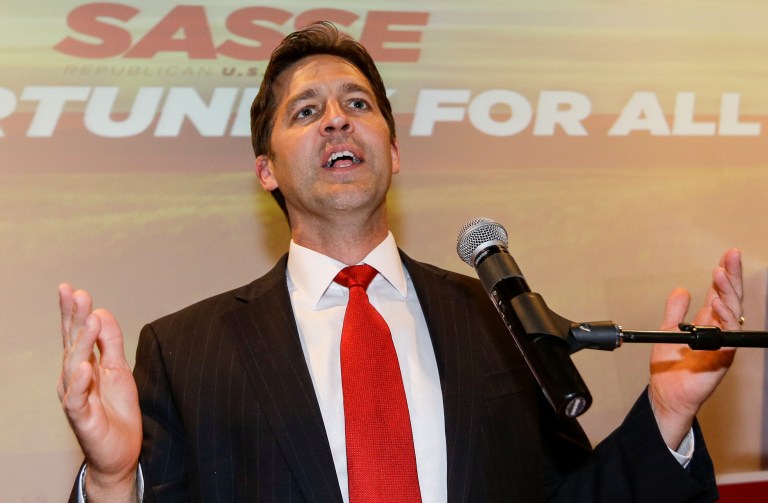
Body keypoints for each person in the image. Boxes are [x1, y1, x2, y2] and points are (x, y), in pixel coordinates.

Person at [58, 21, 744, 503]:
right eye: (306, 111)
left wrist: (665, 414)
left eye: (357, 104)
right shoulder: (186, 351)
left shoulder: (496, 321)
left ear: (393, 150)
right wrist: (113, 481)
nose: (337, 119)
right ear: (266, 169)